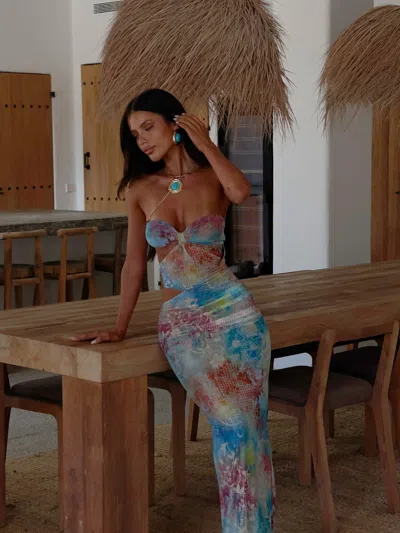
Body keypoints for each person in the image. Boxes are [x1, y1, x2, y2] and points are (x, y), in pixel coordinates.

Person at [73, 88, 275, 532]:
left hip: (237, 315)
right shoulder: (140, 189)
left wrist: (205, 143)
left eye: (148, 127)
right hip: (182, 325)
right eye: (135, 134)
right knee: (232, 421)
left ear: (176, 123)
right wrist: (120, 326)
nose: (142, 140)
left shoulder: (212, 177)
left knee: (250, 428)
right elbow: (133, 265)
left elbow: (240, 191)